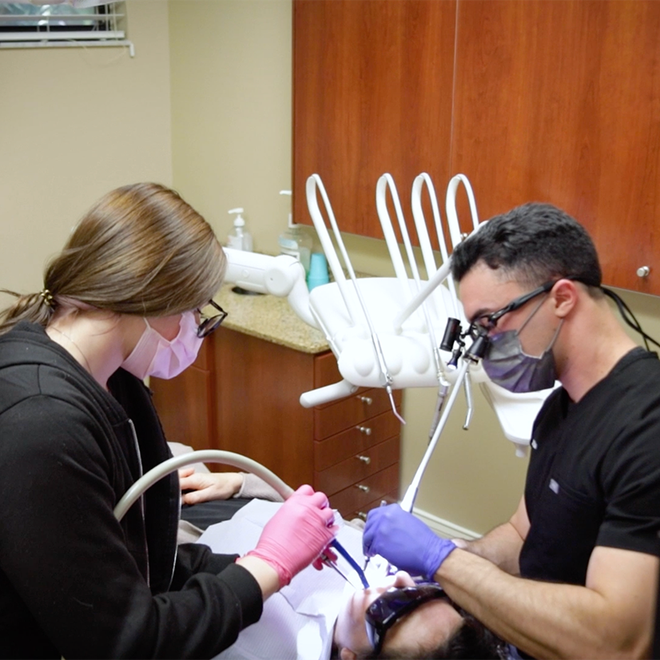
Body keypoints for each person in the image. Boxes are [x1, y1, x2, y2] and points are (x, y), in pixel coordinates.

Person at [0, 182, 337, 660]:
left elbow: (144, 562)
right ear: (150, 299)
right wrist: (269, 567)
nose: (198, 327)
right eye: (196, 310)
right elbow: (129, 642)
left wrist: (261, 562)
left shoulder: (115, 382)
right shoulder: (40, 428)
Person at [363, 203, 660, 660]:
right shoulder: (560, 408)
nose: (483, 346)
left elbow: (617, 642)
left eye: (489, 322)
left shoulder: (646, 427)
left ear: (561, 298)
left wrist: (445, 561)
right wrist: (448, 559)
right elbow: (524, 536)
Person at [196, 498, 505, 660]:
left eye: (392, 609)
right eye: (425, 592)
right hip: (235, 496)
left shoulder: (261, 649)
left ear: (352, 657)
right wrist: (241, 483)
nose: (398, 580)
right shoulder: (377, 572)